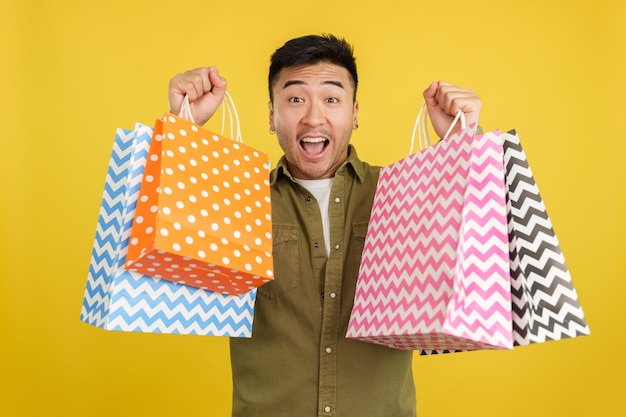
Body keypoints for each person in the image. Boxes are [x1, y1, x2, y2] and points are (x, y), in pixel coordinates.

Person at [168, 34, 482, 417]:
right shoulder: (237, 201)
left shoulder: (404, 194)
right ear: (271, 115)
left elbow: (476, 269)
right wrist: (183, 130)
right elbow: (166, 263)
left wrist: (465, 145)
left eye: (331, 99)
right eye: (296, 99)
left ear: (354, 112)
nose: (314, 117)